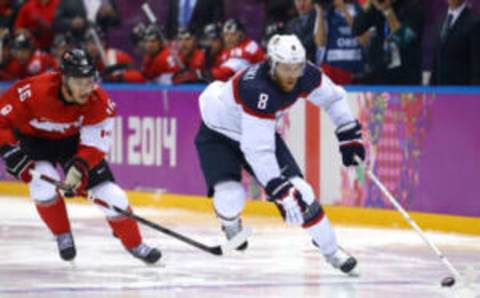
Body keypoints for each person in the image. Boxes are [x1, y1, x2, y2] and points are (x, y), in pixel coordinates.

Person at [195, 34, 365, 274]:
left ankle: (331, 250)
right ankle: (230, 223)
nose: (292, 75)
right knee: (231, 196)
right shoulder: (257, 88)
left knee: (303, 193)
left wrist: (349, 133)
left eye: (297, 67)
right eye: (286, 68)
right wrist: (278, 188)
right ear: (272, 64)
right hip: (218, 133)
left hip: (257, 130)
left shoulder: (306, 74)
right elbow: (257, 150)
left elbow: (334, 98)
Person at [0, 49, 161, 264]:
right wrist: (9, 151)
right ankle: (62, 234)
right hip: (34, 140)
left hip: (73, 144)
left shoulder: (99, 102)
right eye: (79, 81)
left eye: (90, 80)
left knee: (113, 196)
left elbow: (94, 147)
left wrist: (78, 170)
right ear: (64, 78)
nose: (86, 87)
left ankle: (135, 244)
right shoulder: (33, 91)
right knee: (42, 182)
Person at [352, 0, 424, 85]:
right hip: (379, 72)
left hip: (406, 76)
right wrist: (370, 4)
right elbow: (357, 28)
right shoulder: (378, 5)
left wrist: (387, 11)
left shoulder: (414, 6)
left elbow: (402, 38)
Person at [430, 0, 480, 85]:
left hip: (462, 91)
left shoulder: (475, 23)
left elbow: (477, 65)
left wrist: (474, 95)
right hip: (439, 91)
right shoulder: (440, 20)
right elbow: (436, 60)